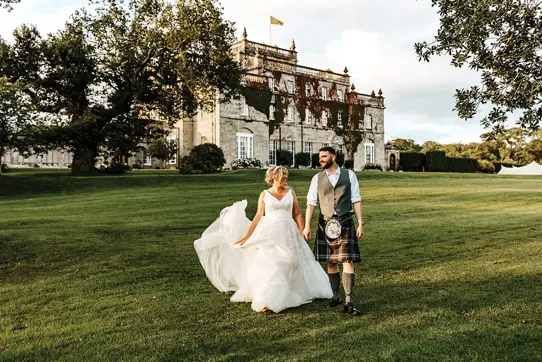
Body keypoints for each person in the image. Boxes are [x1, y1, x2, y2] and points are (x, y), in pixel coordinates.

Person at [194, 166, 332, 313]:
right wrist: (247, 236)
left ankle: (292, 291)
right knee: (271, 263)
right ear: (273, 177)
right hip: (271, 232)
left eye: (286, 175)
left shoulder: (290, 193)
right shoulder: (265, 194)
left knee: (293, 262)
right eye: (282, 175)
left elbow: (297, 213)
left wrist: (303, 229)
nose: (285, 177)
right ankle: (268, 299)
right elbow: (258, 216)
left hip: (289, 232)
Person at [303, 147, 365, 316]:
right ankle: (335, 296)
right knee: (331, 262)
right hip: (326, 223)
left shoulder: (349, 175)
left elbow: (356, 200)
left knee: (347, 261)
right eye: (320, 157)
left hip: (345, 221)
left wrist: (360, 223)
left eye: (324, 156)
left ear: (333, 156)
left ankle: (349, 302)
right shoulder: (317, 178)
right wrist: (307, 225)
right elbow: (311, 203)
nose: (321, 159)